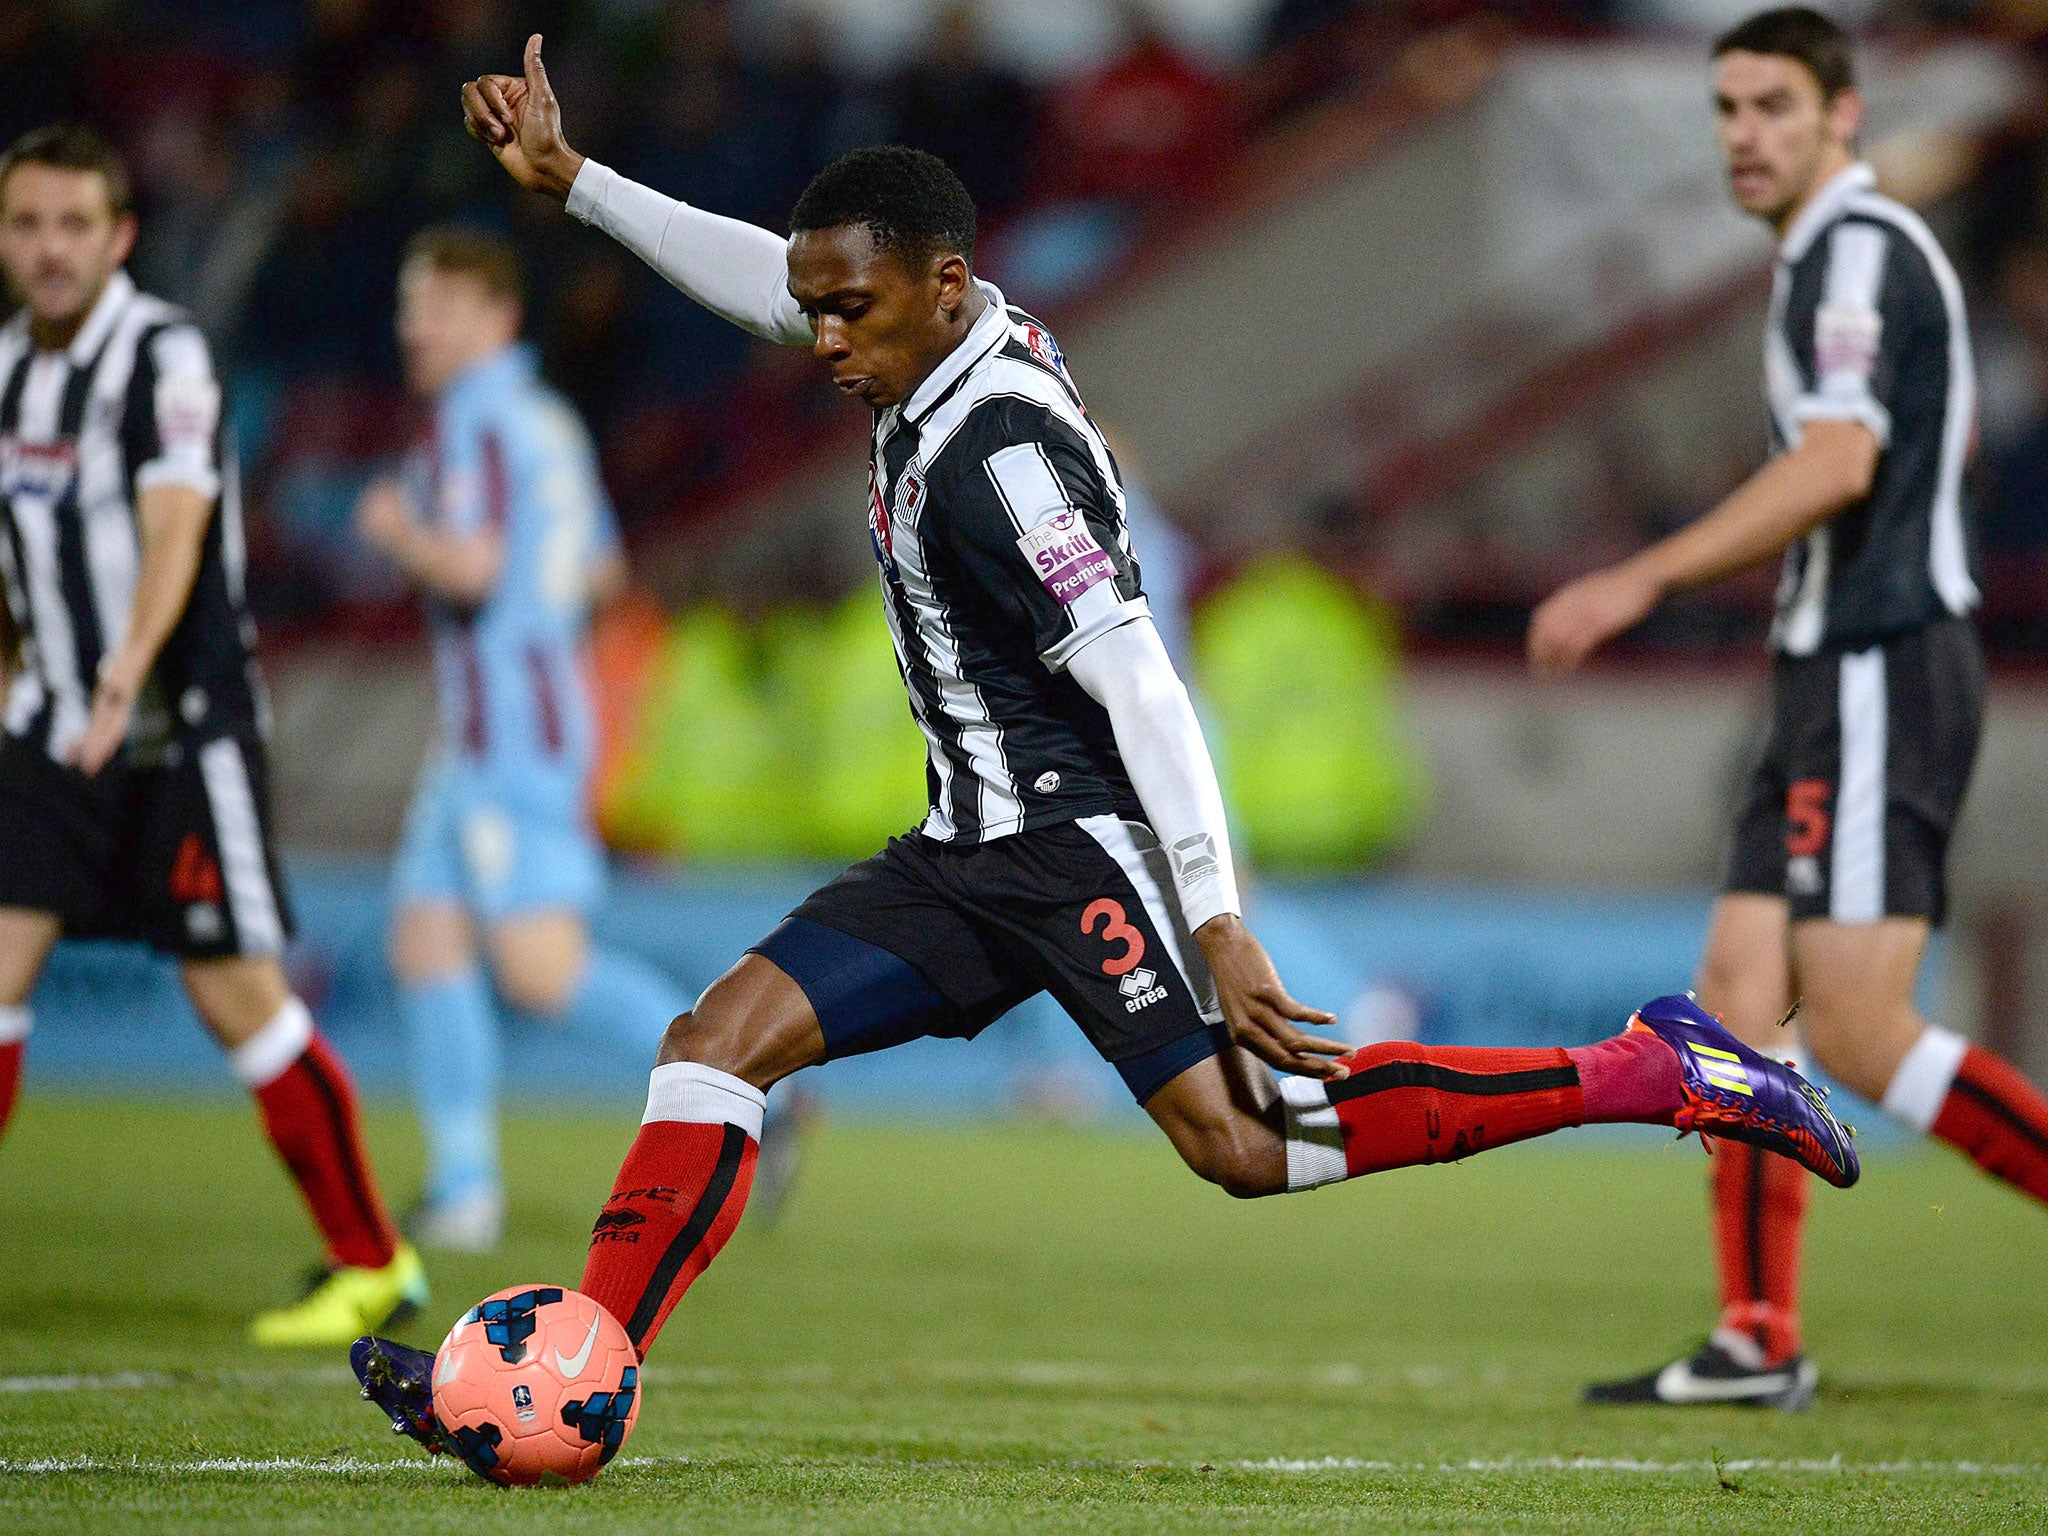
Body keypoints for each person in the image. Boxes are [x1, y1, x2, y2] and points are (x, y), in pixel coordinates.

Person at [357, 37, 1859, 1441]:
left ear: (943, 287)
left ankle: (1653, 1069)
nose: (817, 338)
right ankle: (570, 1381)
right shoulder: (920, 331)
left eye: (846, 312)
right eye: (815, 309)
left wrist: (1216, 916)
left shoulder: (1003, 459)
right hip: (964, 849)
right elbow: (779, 276)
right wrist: (583, 186)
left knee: (1248, 1147)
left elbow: (1146, 686)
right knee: (712, 1049)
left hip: (1077, 845)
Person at [1529, 8, 2048, 1409]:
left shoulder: (1857, 254)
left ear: (1843, 116)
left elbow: (1833, 464)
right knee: (1740, 1017)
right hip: (1830, 673)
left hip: (1883, 661)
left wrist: (1637, 574)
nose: (1744, 135)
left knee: (1865, 1031)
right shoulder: (1827, 256)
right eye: (1728, 108)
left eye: (1773, 105)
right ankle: (1759, 1337)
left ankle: (1762, 1333)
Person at [0, 124, 424, 1345]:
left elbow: (174, 527)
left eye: (74, 224)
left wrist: (126, 677)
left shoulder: (163, 358)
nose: (50, 249)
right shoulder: (8, 376)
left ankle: (372, 1262)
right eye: (27, 224)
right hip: (51, 729)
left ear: (120, 235)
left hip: (179, 726)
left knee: (238, 997)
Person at [356, 226, 701, 1252]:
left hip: (508, 740)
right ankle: (464, 1188)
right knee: (423, 935)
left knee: (539, 969)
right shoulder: (548, 422)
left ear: (497, 318)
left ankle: (736, 1079)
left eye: (442, 306)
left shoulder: (475, 422)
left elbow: (471, 570)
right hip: (496, 734)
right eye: (413, 303)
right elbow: (600, 576)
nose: (417, 325)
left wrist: (394, 533)